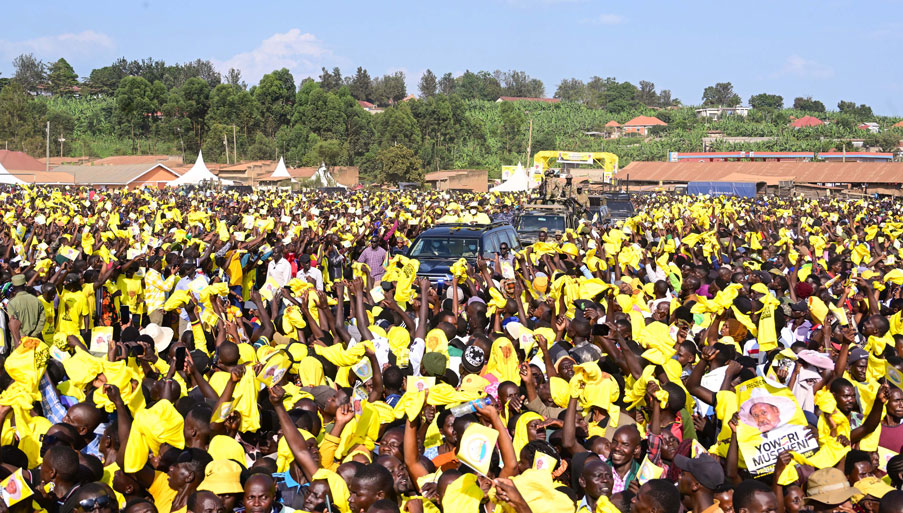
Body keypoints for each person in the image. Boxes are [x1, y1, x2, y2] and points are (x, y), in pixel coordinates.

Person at [7, 273, 45, 339]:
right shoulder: (36, 300)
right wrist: (34, 334)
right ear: (25, 284)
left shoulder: (11, 303)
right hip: (35, 340)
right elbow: (42, 319)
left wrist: (22, 335)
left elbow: (13, 322)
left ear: (13, 286)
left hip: (19, 340)